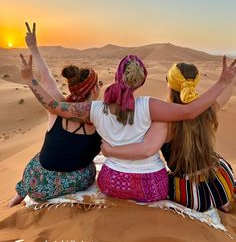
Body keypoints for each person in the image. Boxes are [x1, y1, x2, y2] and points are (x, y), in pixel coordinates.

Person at [19, 31, 236, 202]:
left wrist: (29, 79)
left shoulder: (94, 110)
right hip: (154, 188)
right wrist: (223, 82)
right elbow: (189, 112)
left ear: (117, 76)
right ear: (140, 82)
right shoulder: (151, 108)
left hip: (112, 183)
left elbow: (54, 105)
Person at [101, 62, 236, 211]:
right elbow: (227, 91)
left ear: (169, 84)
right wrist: (228, 79)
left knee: (163, 179)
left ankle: (212, 200)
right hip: (223, 181)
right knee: (217, 159)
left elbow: (147, 149)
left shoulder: (164, 121)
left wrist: (111, 151)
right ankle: (222, 201)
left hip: (193, 194)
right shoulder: (207, 109)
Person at [9, 23, 102, 207]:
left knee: (38, 161)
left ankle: (14, 202)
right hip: (75, 181)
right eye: (99, 83)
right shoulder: (99, 116)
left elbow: (47, 79)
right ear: (93, 89)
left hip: (38, 185)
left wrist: (33, 49)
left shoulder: (58, 108)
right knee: (90, 167)